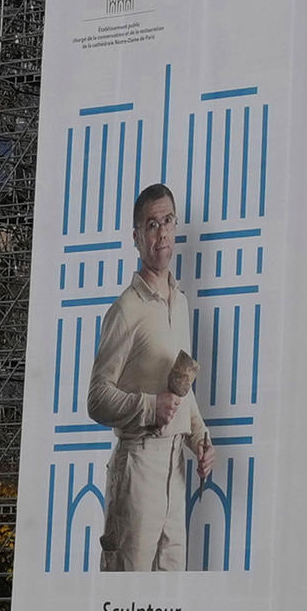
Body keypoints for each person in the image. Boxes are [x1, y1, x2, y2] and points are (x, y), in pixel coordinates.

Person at [84, 183, 205, 571]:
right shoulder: (125, 309)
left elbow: (183, 389)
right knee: (125, 596)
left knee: (167, 602)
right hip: (138, 464)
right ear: (137, 237)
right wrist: (150, 406)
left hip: (175, 469)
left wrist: (200, 438)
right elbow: (96, 397)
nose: (162, 233)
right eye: (152, 225)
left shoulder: (180, 303)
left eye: (168, 220)